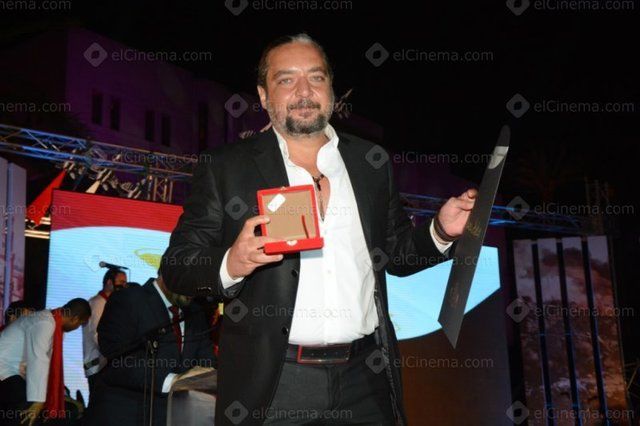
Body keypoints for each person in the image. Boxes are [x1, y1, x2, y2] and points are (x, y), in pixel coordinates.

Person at [161, 33, 477, 425]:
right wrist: (231, 263)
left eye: (316, 77)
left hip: (366, 379)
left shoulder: (370, 162)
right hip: (275, 384)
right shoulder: (226, 167)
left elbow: (395, 253)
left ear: (331, 89)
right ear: (263, 96)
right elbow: (178, 265)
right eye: (286, 79)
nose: (304, 91)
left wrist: (441, 231)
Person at [86, 274, 216, 426]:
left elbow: (206, 359)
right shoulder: (128, 299)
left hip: (173, 417)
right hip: (125, 415)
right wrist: (174, 381)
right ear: (167, 272)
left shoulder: (195, 312)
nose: (194, 290)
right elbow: (117, 358)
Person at [0, 298, 91, 426]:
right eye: (80, 324)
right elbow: (38, 359)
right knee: (31, 411)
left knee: (62, 410)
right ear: (75, 319)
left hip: (12, 371)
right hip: (4, 370)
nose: (77, 328)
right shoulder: (45, 322)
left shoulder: (51, 322)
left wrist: (59, 396)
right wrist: (38, 401)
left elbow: (45, 366)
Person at [82, 269, 127, 406]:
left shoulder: (109, 303)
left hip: (105, 363)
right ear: (109, 282)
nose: (124, 286)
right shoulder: (97, 303)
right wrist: (115, 352)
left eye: (125, 283)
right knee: (98, 404)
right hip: (98, 364)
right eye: (121, 282)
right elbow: (97, 335)